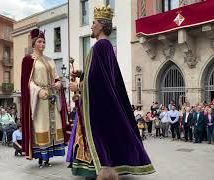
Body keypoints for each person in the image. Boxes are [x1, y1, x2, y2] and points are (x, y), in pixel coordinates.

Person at [67, 5, 155, 178]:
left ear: (101, 25)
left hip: (98, 105)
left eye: (93, 23)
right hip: (99, 101)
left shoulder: (101, 46)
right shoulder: (104, 46)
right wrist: (82, 74)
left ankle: (97, 169)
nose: (91, 26)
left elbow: (100, 80)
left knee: (98, 136)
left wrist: (79, 86)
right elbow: (100, 75)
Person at [21, 28, 68, 168]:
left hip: (52, 96)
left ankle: (49, 156)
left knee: (53, 125)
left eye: (44, 42)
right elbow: (26, 82)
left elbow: (56, 77)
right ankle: (41, 156)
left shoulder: (50, 60)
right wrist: (38, 91)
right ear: (34, 43)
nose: (42, 44)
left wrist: (59, 83)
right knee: (41, 125)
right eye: (40, 41)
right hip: (39, 99)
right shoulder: (28, 60)